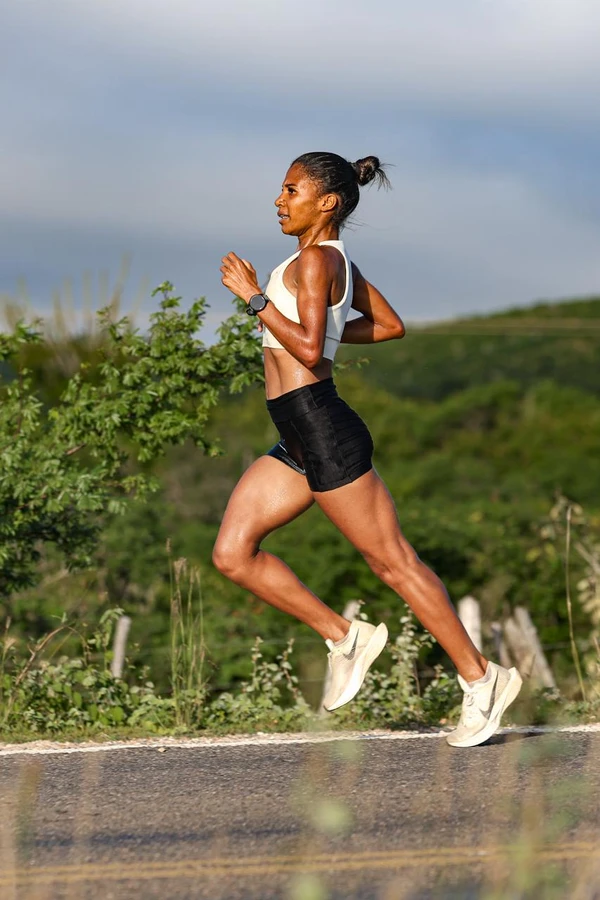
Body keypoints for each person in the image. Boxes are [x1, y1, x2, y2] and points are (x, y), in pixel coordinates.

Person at [215, 151, 522, 748]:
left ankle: (483, 680)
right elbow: (387, 325)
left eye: (290, 190)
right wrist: (313, 324)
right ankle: (346, 637)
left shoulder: (317, 262)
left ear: (326, 201)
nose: (279, 201)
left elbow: (308, 352)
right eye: (281, 191)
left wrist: (252, 297)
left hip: (323, 427)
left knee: (393, 564)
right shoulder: (328, 262)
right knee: (233, 553)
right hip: (297, 433)